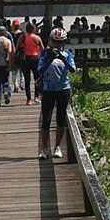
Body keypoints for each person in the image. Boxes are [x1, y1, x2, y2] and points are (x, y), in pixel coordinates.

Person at [37, 28, 75, 159]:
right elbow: (40, 70)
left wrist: (63, 59)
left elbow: (73, 69)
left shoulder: (67, 54)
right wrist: (50, 59)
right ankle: (44, 149)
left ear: (64, 42)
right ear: (50, 41)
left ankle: (57, 147)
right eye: (54, 41)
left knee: (60, 119)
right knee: (46, 120)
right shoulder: (44, 54)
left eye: (60, 42)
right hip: (48, 90)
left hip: (63, 89)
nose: (57, 44)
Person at [19, 21, 44, 105]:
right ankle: (36, 97)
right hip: (35, 58)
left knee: (27, 79)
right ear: (34, 29)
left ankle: (28, 99)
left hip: (25, 59)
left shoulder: (23, 37)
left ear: (26, 29)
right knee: (37, 78)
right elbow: (42, 50)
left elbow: (17, 47)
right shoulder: (37, 38)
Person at [10, 19, 24, 93]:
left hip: (13, 53)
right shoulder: (22, 34)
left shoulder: (10, 34)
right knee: (22, 71)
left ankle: (16, 85)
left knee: (14, 71)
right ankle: (22, 84)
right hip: (21, 53)